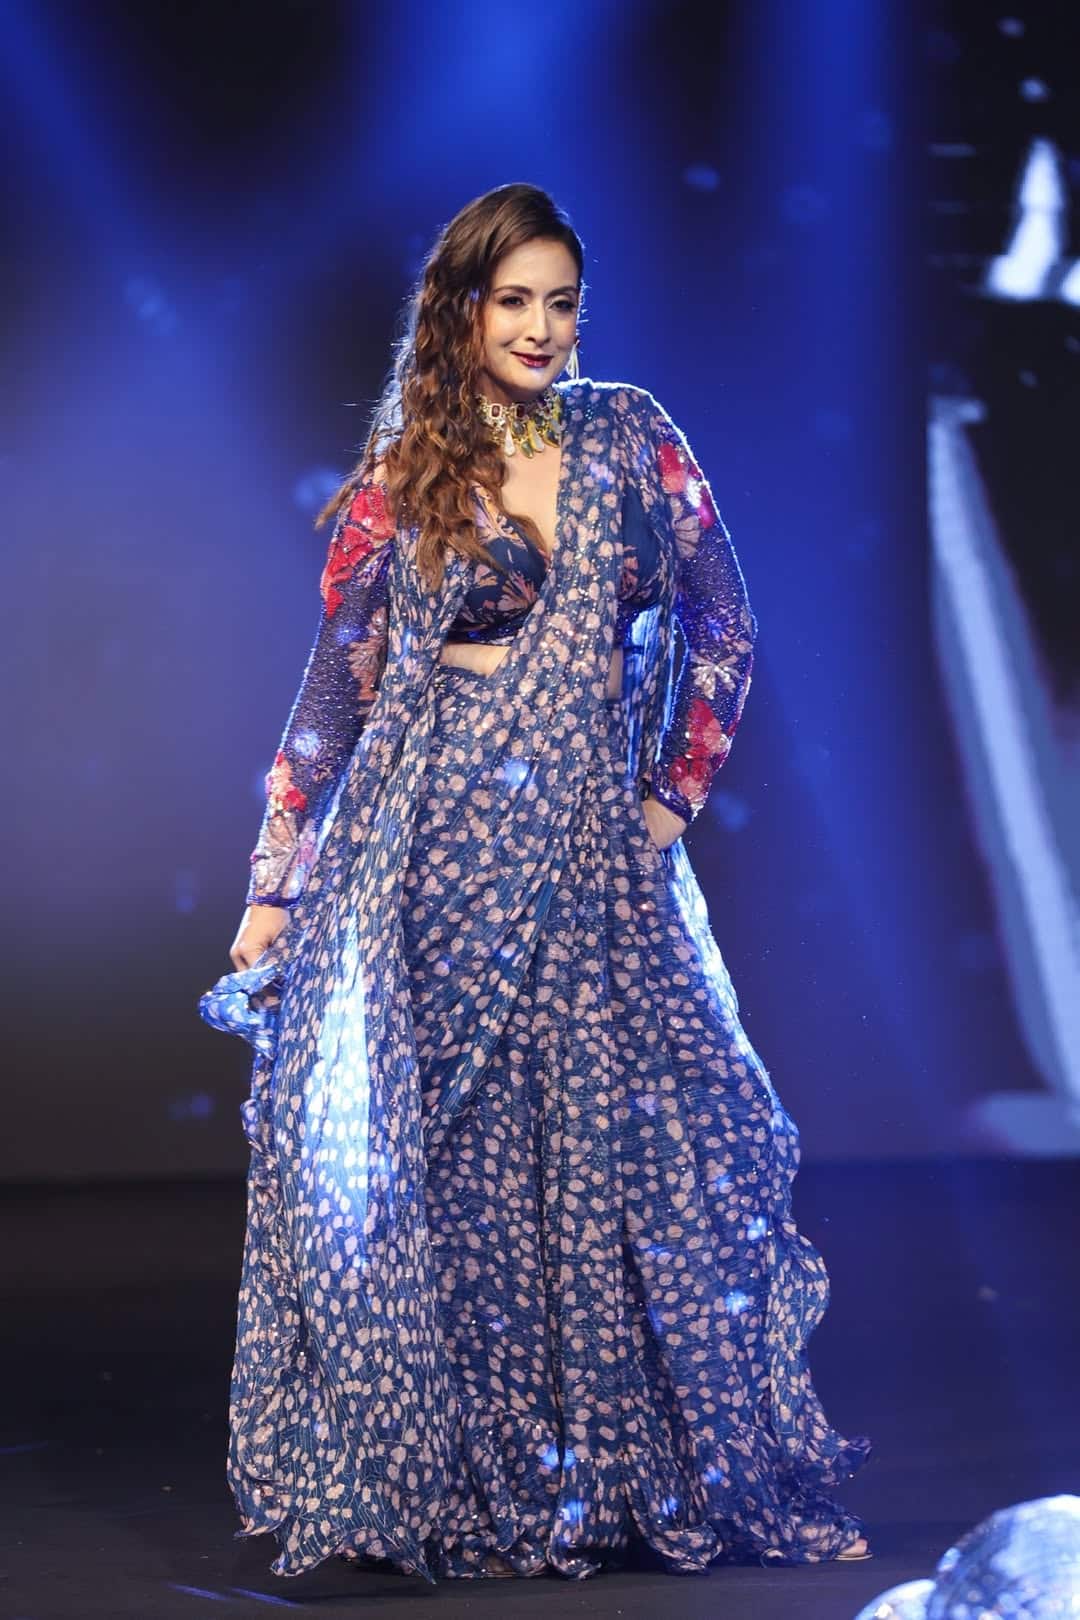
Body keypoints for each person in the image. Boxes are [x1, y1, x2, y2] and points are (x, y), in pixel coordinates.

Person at [200, 181, 872, 1582]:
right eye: (514, 300)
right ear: (460, 311)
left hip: (586, 857)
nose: (541, 328)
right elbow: (337, 688)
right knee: (440, 1171)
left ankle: (591, 1477)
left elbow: (724, 623)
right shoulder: (404, 470)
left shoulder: (631, 433)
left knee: (607, 1156)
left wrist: (668, 800)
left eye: (561, 303)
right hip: (425, 851)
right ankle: (446, 1477)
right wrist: (275, 881)